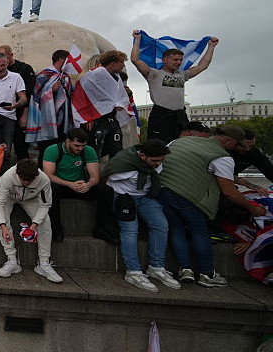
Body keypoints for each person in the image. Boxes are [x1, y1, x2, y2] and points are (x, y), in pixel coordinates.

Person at [157, 125, 266, 286]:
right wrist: (253, 208)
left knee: (176, 229)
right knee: (199, 232)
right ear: (228, 141)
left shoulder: (178, 142)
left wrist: (249, 184)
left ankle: (185, 269)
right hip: (188, 196)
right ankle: (207, 274)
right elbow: (228, 191)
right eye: (236, 145)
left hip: (163, 191)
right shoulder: (222, 157)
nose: (236, 149)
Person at [100, 139, 182, 292]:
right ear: (143, 156)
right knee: (130, 230)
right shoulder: (123, 164)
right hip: (124, 196)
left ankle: (156, 267)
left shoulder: (154, 164)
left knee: (161, 225)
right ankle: (133, 271)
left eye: (161, 161)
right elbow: (106, 177)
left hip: (145, 197)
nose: (158, 164)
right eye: (155, 161)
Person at [130, 31, 219, 143]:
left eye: (181, 60)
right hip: (161, 116)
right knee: (158, 146)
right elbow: (135, 60)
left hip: (180, 116)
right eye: (175, 60)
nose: (179, 63)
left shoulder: (182, 75)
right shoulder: (154, 74)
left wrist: (211, 47)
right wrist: (137, 39)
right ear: (164, 60)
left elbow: (203, 66)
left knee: (182, 145)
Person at [40, 128, 117, 244]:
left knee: (106, 190)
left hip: (80, 185)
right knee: (50, 188)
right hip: (61, 186)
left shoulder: (88, 151)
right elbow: (48, 175)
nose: (80, 149)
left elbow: (95, 177)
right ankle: (56, 230)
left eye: (83, 146)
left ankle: (101, 229)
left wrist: (88, 184)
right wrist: (69, 184)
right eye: (77, 145)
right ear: (68, 141)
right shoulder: (53, 150)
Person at [0, 159, 62, 283]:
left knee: (45, 222)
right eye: (23, 179)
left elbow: (45, 205)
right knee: (2, 221)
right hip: (9, 197)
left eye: (29, 180)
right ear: (17, 174)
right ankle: (12, 260)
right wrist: (3, 226)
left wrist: (35, 224)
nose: (25, 183)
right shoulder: (8, 176)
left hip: (31, 199)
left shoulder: (44, 180)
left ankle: (43, 263)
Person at [76, 51, 130, 160]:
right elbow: (81, 96)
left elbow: (121, 96)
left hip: (111, 119)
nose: (123, 65)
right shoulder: (93, 75)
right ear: (113, 62)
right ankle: (91, 175)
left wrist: (120, 104)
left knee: (116, 149)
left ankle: (114, 175)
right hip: (96, 120)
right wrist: (87, 117)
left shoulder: (117, 77)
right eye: (121, 62)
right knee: (94, 151)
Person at [26, 50, 75, 155]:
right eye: (67, 61)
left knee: (60, 150)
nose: (69, 64)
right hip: (45, 121)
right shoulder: (44, 75)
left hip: (62, 120)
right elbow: (35, 97)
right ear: (61, 60)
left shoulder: (65, 77)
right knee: (46, 151)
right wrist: (50, 90)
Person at [0, 45, 36, 161]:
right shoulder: (0, 70)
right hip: (5, 114)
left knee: (21, 146)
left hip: (20, 113)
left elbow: (29, 93)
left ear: (11, 55)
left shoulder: (24, 69)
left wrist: (25, 114)